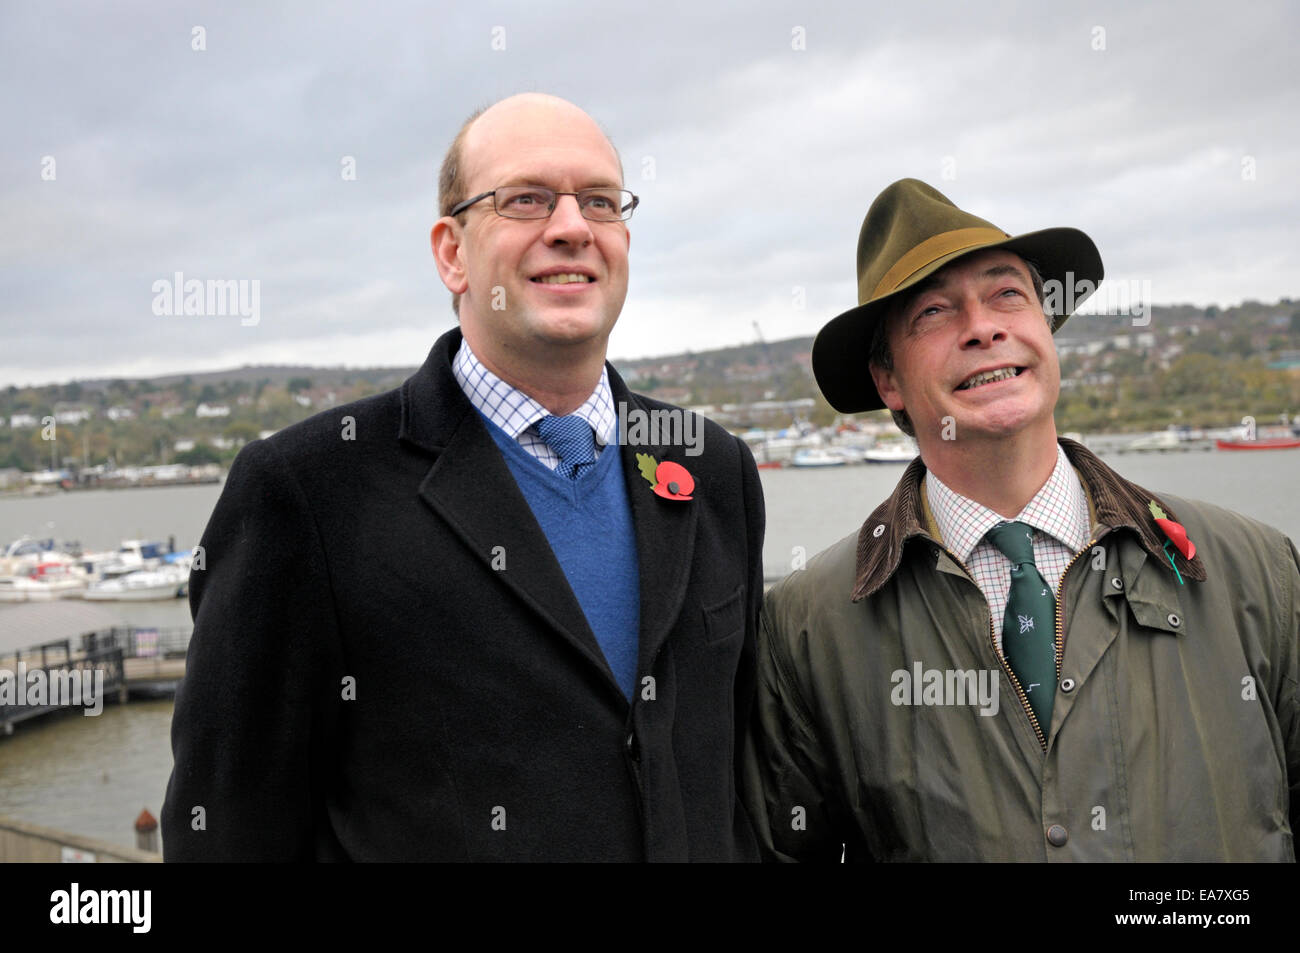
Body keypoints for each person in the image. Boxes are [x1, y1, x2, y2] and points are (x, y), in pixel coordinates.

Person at [162, 93, 765, 862]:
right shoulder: (307, 492)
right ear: (452, 252)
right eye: (527, 199)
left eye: (602, 202)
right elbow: (229, 830)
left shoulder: (713, 469)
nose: (573, 227)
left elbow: (740, 785)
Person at [741, 178, 1300, 861]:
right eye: (935, 312)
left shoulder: (1256, 571)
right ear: (888, 381)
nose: (983, 326)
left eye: (1008, 292)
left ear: (1047, 327)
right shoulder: (809, 629)